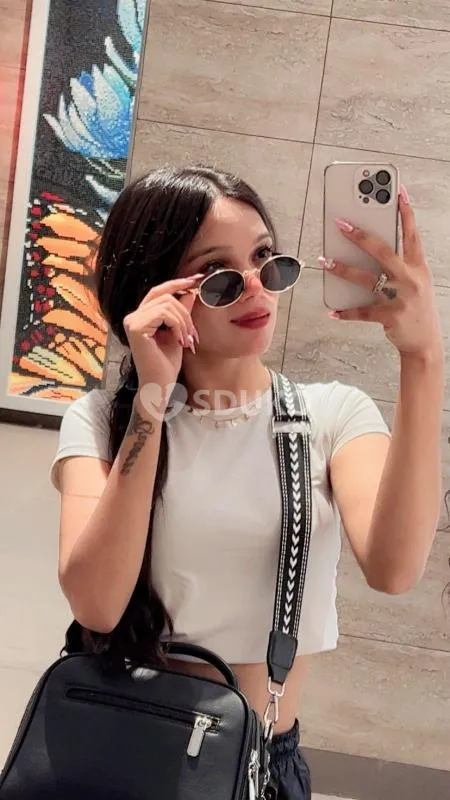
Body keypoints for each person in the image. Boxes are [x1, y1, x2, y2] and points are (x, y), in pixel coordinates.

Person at [50, 166, 444, 800]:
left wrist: (422, 358)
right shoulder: (99, 422)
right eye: (219, 274)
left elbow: (394, 569)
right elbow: (96, 604)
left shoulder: (331, 415)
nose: (256, 287)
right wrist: (152, 400)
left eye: (264, 258)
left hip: (261, 764)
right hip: (121, 749)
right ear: (155, 292)